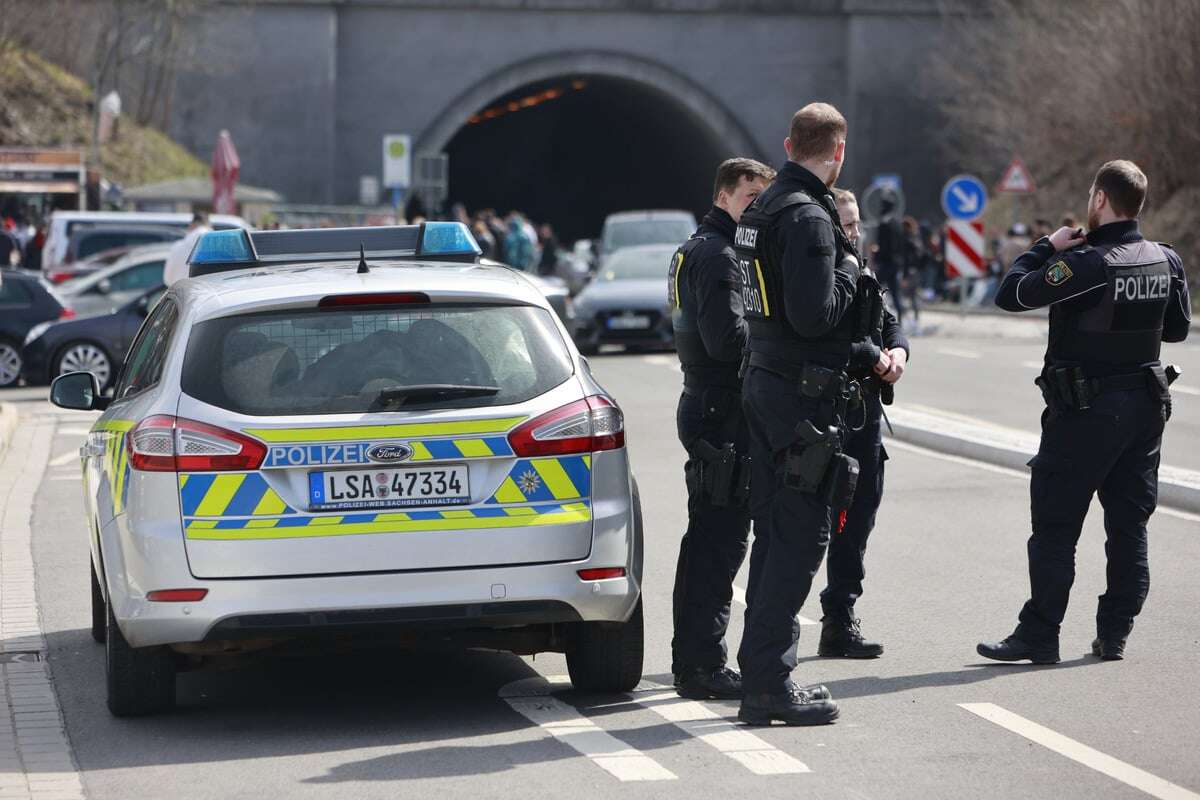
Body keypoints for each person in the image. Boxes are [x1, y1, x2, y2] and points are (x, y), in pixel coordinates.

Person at [979, 160, 1190, 664]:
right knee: (1129, 525)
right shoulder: (1166, 259)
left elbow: (1011, 294)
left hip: (1085, 411)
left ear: (1099, 200)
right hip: (1144, 408)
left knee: (1055, 526)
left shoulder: (1089, 263)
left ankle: (1040, 635)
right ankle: (1114, 633)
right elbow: (1178, 331)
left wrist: (1047, 246)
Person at [733, 102, 881, 725]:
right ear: (838, 152)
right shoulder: (810, 219)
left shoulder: (760, 209)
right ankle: (769, 682)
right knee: (799, 539)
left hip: (763, 381)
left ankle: (759, 669)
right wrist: (849, 270)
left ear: (789, 143)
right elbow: (816, 315)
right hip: (802, 395)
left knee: (773, 533)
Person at [668, 157, 775, 700]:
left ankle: (693, 657)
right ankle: (701, 664)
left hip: (705, 402)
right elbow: (727, 341)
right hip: (719, 408)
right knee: (719, 543)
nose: (756, 206)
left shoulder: (695, 247)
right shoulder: (721, 256)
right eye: (750, 195)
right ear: (725, 195)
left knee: (709, 539)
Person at [817, 188, 908, 658]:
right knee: (813, 525)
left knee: (859, 519)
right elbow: (816, 340)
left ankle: (839, 617)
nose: (854, 233)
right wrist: (871, 356)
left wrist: (898, 353)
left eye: (857, 224)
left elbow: (889, 322)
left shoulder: (862, 269)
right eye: (846, 225)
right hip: (825, 416)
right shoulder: (820, 278)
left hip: (865, 416)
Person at [163, 212, 212, 286]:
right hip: (208, 295)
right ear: (208, 225)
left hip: (182, 294)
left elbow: (167, 280)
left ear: (191, 225)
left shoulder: (176, 247)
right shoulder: (215, 245)